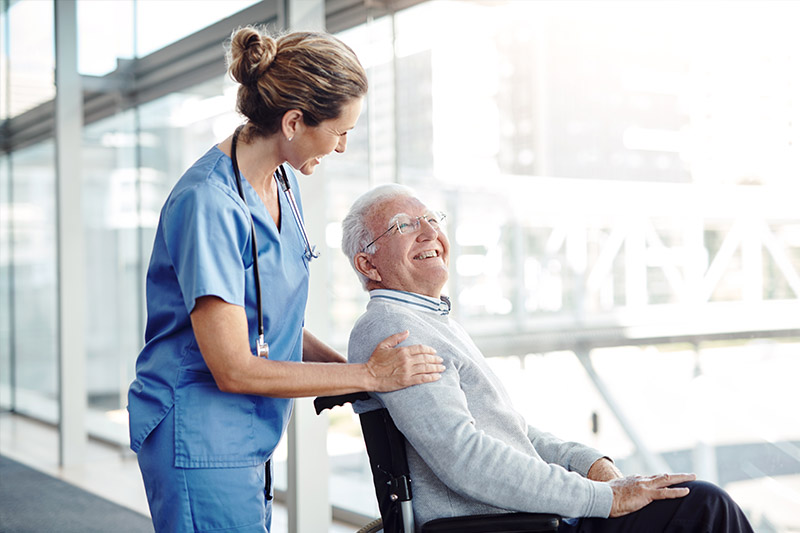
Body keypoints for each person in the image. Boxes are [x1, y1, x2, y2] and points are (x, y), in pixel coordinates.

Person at [127, 29, 444, 533]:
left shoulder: (283, 182)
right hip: (198, 431)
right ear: (294, 121)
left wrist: (355, 373)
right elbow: (233, 366)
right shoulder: (208, 203)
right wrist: (368, 376)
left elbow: (269, 323)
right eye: (340, 132)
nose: (341, 147)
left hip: (248, 431)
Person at [342, 184, 754, 532]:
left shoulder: (428, 319)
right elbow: (465, 457)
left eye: (432, 220)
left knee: (687, 499)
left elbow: (514, 433)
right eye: (404, 225)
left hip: (528, 516)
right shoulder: (393, 327)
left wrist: (590, 464)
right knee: (703, 506)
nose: (429, 232)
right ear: (368, 264)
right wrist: (603, 499)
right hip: (512, 524)